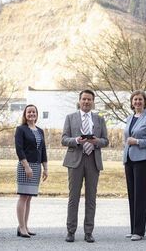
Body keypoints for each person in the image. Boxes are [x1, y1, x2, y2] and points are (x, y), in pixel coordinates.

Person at [62, 89, 109, 243]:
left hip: (93, 160)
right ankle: (71, 231)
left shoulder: (99, 119)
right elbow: (64, 139)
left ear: (93, 102)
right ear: (80, 100)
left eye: (89, 99)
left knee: (91, 198)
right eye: (84, 99)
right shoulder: (70, 117)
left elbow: (106, 141)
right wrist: (76, 141)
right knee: (73, 198)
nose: (86, 102)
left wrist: (96, 142)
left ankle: (89, 232)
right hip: (75, 160)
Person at [123, 90, 146, 241]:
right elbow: (127, 139)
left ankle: (139, 230)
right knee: (132, 195)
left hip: (144, 160)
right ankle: (133, 229)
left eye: (140, 99)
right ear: (132, 102)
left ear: (144, 102)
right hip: (129, 160)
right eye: (135, 99)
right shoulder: (129, 118)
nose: (137, 102)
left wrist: (137, 142)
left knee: (140, 195)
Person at [15, 104, 48, 238]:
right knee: (23, 196)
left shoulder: (40, 131)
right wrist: (26, 166)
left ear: (36, 114)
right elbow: (19, 149)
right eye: (29, 112)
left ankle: (25, 226)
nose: (31, 114)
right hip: (25, 166)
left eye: (34, 112)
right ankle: (21, 227)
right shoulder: (21, 129)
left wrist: (45, 168)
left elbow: (43, 150)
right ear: (25, 114)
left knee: (29, 198)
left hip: (37, 166)